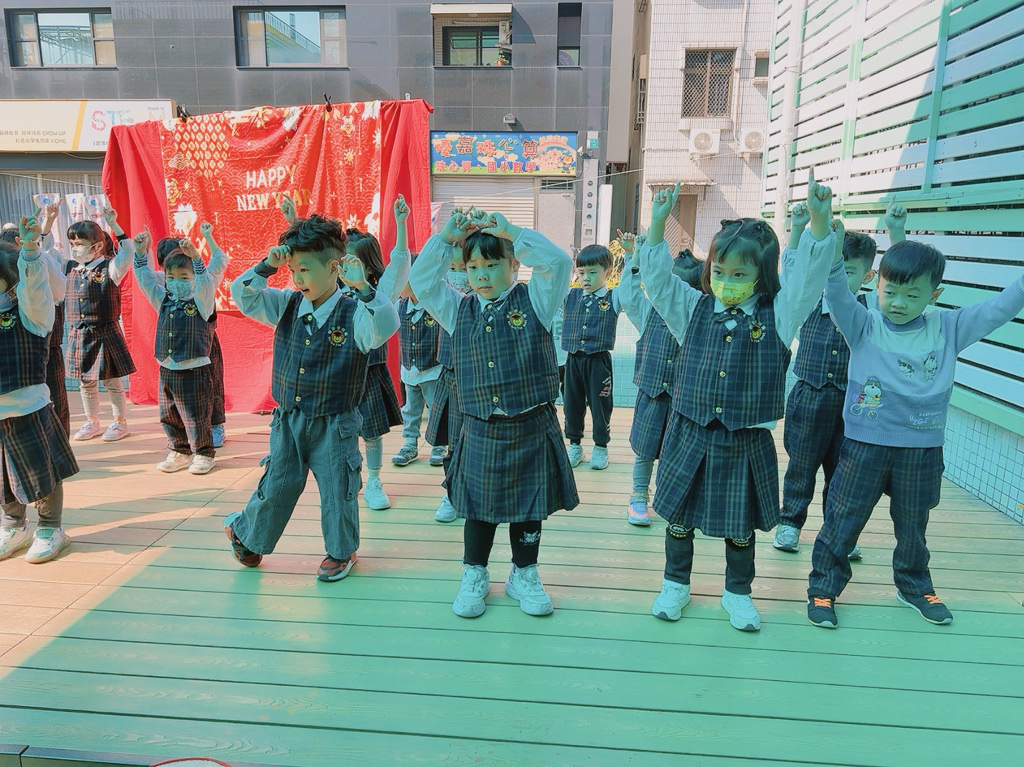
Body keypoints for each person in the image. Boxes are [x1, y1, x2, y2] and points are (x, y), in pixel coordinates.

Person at [639, 172, 836, 632]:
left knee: (740, 527)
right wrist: (658, 223)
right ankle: (675, 584)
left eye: (740, 275)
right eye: (719, 272)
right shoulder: (691, 308)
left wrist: (819, 225)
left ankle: (738, 592)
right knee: (678, 518)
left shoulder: (781, 314)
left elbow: (807, 281)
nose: (726, 282)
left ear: (762, 276)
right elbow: (657, 280)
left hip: (745, 439)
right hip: (689, 433)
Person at [806, 221, 1024, 629]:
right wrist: (833, 255)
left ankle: (913, 586)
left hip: (921, 448)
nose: (899, 303)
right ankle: (823, 587)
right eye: (890, 292)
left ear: (934, 295)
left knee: (913, 525)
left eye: (912, 294)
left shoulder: (949, 328)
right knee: (843, 518)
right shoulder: (863, 324)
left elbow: (998, 309)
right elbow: (836, 294)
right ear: (877, 286)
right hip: (865, 445)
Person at [410, 208, 579, 618]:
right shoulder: (457, 308)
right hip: (480, 426)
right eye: (473, 267)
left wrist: (513, 232)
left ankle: (524, 573)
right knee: (478, 509)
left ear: (514, 264)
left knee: (530, 507)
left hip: (531, 423)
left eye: (491, 265)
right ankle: (475, 572)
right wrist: (445, 240)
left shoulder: (537, 299)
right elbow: (421, 281)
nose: (481, 275)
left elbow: (558, 263)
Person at [224, 212, 399, 582]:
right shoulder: (286, 304)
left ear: (334, 268)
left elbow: (385, 324)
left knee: (339, 489)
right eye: (293, 271)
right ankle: (249, 535)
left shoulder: (355, 312)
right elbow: (242, 294)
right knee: (277, 482)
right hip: (288, 420)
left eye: (305, 270)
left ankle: (341, 551)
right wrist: (267, 266)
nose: (298, 279)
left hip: (336, 423)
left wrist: (364, 288)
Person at [774, 203, 908, 557]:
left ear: (867, 277)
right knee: (801, 466)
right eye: (833, 268)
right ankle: (790, 523)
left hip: (854, 404)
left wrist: (896, 232)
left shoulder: (873, 310)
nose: (837, 277)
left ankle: (839, 533)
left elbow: (900, 277)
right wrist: (798, 228)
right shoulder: (807, 302)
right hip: (810, 396)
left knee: (844, 472)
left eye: (848, 271)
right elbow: (792, 268)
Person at [281, 194, 409, 511]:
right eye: (340, 261)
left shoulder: (377, 289)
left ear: (368, 265)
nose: (343, 266)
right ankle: (339, 480)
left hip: (369, 373)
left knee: (372, 433)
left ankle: (374, 481)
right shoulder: (329, 288)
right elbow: (310, 256)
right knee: (335, 432)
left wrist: (401, 224)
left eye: (352, 261)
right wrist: (293, 221)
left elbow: (400, 264)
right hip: (336, 373)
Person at [0, 211, 79, 563]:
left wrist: (31, 249)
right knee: (3, 477)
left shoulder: (31, 313)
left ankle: (50, 527)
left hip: (28, 408)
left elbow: (35, 289)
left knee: (41, 471)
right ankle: (13, 525)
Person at [617, 234, 703, 526]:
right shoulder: (648, 312)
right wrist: (634, 258)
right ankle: (638, 495)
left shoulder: (699, 318)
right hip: (652, 392)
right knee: (644, 449)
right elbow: (628, 294)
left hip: (683, 400)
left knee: (676, 452)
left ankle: (670, 500)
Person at [134, 223, 228, 474]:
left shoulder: (202, 301)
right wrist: (140, 254)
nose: (177, 283)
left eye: (184, 278)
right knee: (169, 414)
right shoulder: (163, 300)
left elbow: (206, 282)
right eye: (171, 278)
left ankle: (204, 453)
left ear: (194, 279)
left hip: (194, 369)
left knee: (197, 415)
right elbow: (145, 280)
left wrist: (197, 259)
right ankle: (180, 450)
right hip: (167, 368)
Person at [64, 208, 136, 442]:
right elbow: (45, 254)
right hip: (79, 333)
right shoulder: (70, 268)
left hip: (105, 332)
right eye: (72, 243)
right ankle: (92, 421)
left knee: (111, 380)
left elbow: (128, 251)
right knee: (86, 381)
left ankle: (120, 423)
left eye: (79, 243)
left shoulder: (110, 268)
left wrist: (114, 224)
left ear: (96, 246)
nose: (75, 248)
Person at [1, 204, 69, 434]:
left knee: (53, 403)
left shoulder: (42, 261)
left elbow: (54, 293)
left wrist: (31, 253)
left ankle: (57, 439)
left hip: (42, 342)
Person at [156, 236, 228, 449]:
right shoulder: (166, 286)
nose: (175, 279)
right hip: (178, 343)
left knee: (210, 386)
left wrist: (209, 237)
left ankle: (215, 426)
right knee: (177, 395)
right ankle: (182, 434)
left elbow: (219, 261)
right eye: (168, 271)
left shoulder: (203, 279)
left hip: (203, 342)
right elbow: (146, 278)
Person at [559, 244, 624, 470]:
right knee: (571, 404)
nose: (585, 278)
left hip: (598, 361)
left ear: (607, 272)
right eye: (581, 272)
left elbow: (631, 285)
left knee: (601, 405)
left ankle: (601, 447)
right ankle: (575, 445)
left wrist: (631, 256)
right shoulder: (570, 296)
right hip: (573, 360)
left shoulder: (614, 297)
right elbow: (551, 280)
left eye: (592, 272)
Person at [427, 251, 471, 523]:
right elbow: (421, 278)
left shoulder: (484, 296)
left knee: (478, 443)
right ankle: (452, 493)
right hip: (452, 374)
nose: (457, 274)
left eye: (462, 267)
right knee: (453, 443)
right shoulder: (443, 296)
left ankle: (476, 494)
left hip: (481, 377)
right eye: (451, 267)